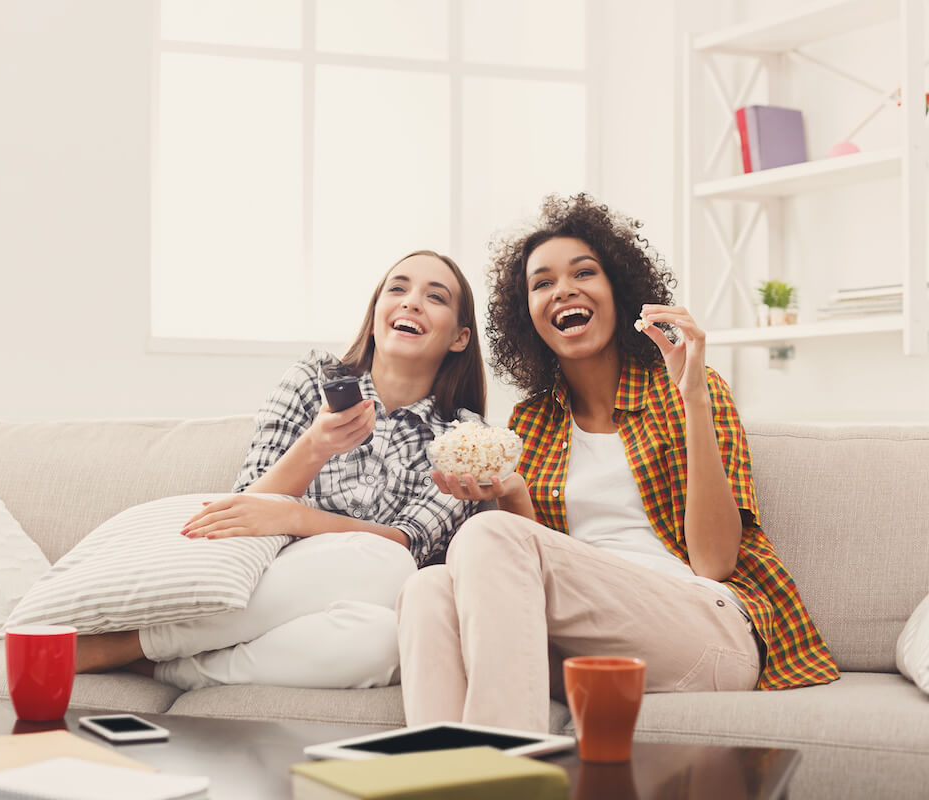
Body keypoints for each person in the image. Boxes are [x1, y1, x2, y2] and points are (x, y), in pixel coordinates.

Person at [397, 194, 839, 731]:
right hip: (588, 647)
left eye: (584, 272)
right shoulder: (531, 422)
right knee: (427, 590)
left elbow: (716, 560)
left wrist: (693, 397)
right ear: (527, 316)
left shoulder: (682, 389)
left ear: (619, 290)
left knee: (485, 536)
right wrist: (512, 492)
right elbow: (528, 575)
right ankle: (441, 779)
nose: (563, 289)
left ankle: (505, 777)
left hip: (706, 630)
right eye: (542, 283)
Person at [75, 250, 487, 690]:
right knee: (386, 563)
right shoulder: (312, 380)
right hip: (269, 571)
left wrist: (297, 516)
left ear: (459, 338)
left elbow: (408, 542)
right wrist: (315, 445)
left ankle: (167, 665)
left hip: (364, 593)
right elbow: (245, 507)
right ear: (374, 318)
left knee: (388, 632)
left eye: (435, 297)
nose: (411, 302)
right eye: (398, 289)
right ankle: (139, 642)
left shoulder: (463, 437)